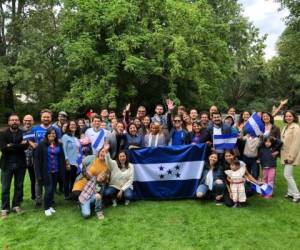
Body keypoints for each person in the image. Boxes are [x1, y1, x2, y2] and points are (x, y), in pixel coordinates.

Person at [0, 114, 28, 219]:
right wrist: (18, 146)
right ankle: (5, 208)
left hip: (20, 164)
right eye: (12, 120)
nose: (14, 122)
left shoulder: (23, 133)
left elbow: (25, 146)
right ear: (9, 122)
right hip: (6, 165)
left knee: (19, 186)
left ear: (19, 122)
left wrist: (11, 145)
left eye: (16, 120)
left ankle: (16, 205)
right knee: (5, 188)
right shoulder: (2, 134)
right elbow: (3, 149)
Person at [32, 109, 61, 206]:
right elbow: (29, 139)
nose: (46, 118)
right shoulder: (35, 129)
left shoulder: (55, 129)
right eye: (44, 117)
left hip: (51, 157)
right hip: (39, 158)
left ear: (51, 118)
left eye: (48, 117)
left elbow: (59, 141)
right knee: (39, 180)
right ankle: (38, 200)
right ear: (41, 117)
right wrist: (33, 144)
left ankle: (50, 199)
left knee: (52, 181)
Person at [34, 128, 66, 216]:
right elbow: (37, 160)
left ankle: (50, 205)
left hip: (56, 170)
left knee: (53, 189)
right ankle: (46, 208)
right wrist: (38, 174)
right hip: (46, 171)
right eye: (50, 133)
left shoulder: (59, 144)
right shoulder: (41, 145)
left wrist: (62, 170)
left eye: (54, 133)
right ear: (47, 134)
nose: (52, 135)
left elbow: (61, 158)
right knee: (48, 189)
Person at [280, 110, 300, 202]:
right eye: (286, 116)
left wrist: (291, 157)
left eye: (290, 116)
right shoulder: (285, 127)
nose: (288, 118)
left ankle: (297, 195)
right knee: (288, 174)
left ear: (294, 117)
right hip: (284, 155)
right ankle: (290, 193)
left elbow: (296, 143)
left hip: (291, 156)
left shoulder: (296, 127)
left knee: (287, 175)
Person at [61, 120, 81, 200]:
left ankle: (73, 194)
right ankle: (67, 195)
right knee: (67, 179)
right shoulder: (65, 137)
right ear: (68, 127)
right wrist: (67, 162)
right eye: (71, 125)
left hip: (77, 162)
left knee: (74, 179)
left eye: (75, 125)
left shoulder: (76, 138)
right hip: (69, 162)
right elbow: (64, 150)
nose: (73, 126)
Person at [22, 114, 36, 201]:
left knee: (33, 178)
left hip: (33, 158)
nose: (27, 122)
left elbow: (36, 144)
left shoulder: (35, 131)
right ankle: (19, 198)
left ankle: (34, 196)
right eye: (26, 120)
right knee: (19, 179)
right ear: (23, 121)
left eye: (29, 121)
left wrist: (27, 141)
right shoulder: (19, 131)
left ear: (33, 122)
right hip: (21, 158)